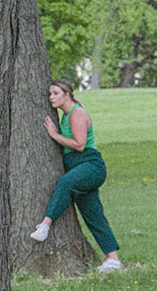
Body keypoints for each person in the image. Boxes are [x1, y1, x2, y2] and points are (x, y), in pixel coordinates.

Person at [30, 79, 122, 273]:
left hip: (90, 166)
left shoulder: (76, 113)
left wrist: (55, 136)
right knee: (93, 214)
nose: (51, 97)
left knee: (65, 184)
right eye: (50, 94)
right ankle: (113, 259)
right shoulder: (65, 115)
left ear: (67, 94)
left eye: (55, 93)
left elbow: (80, 145)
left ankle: (45, 225)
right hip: (78, 167)